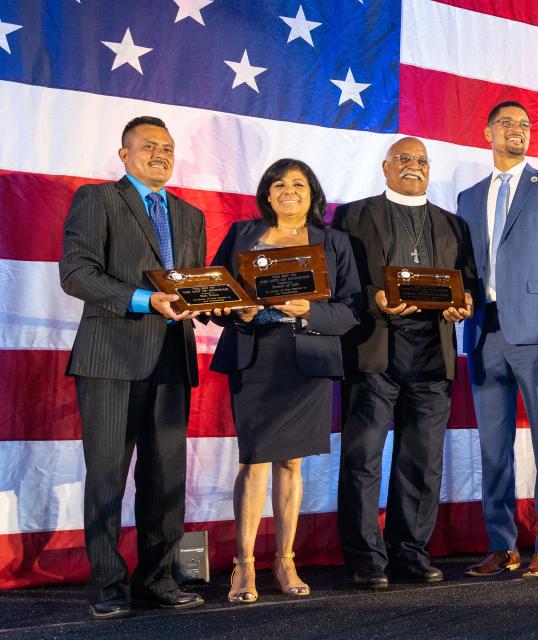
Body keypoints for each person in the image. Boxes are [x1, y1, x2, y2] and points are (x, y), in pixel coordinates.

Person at [59, 116, 207, 618]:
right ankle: (107, 584)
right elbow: (76, 273)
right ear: (124, 154)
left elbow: (192, 290)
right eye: (148, 146)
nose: (160, 154)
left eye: (167, 147)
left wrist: (228, 305)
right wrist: (146, 299)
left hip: (172, 358)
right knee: (106, 476)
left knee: (166, 480)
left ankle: (158, 579)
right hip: (110, 358)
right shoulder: (97, 200)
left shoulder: (190, 215)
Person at [210, 159, 361, 603]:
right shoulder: (242, 235)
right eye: (279, 184)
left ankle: (285, 559)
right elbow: (216, 294)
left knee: (291, 463)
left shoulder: (334, 243)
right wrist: (237, 309)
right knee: (253, 460)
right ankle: (243, 565)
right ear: (267, 194)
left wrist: (309, 310)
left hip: (307, 358)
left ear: (312, 193)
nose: (288, 191)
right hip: (254, 357)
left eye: (298, 184)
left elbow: (352, 308)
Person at [333, 137, 478, 589]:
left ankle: (410, 552)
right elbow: (341, 279)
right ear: (385, 166)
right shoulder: (353, 215)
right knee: (363, 459)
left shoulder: (454, 225)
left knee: (422, 460)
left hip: (432, 356)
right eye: (404, 160)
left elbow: (467, 282)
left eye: (421, 161)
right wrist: (374, 297)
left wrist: (464, 304)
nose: (413, 167)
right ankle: (364, 558)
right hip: (374, 349)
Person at [457, 101, 538, 579]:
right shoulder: (468, 197)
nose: (518, 130)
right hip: (484, 332)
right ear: (488, 132)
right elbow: (467, 268)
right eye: (507, 123)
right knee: (493, 445)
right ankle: (501, 545)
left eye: (525, 125)